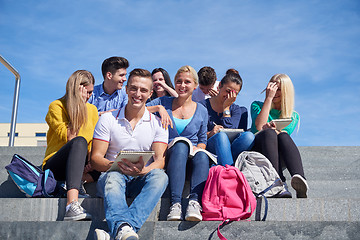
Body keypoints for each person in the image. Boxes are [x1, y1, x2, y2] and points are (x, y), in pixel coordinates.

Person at [91, 69, 169, 240]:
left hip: (140, 177)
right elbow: (96, 158)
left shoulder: (158, 124)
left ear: (150, 94)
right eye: (133, 88)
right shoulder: (108, 119)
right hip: (112, 176)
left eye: (143, 90)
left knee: (161, 177)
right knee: (113, 177)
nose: (137, 94)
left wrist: (142, 171)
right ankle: (123, 229)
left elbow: (159, 161)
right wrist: (116, 166)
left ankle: (120, 230)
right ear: (126, 89)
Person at [147, 65, 210, 222]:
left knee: (202, 155)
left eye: (187, 82)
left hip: (191, 159)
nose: (182, 85)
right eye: (179, 81)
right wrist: (158, 108)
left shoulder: (202, 110)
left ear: (195, 85)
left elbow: (202, 140)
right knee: (181, 145)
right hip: (169, 156)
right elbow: (135, 109)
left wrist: (198, 148)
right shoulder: (163, 101)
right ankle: (175, 204)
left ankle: (194, 202)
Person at [42, 70, 99, 221]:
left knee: (107, 157)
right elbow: (70, 138)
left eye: (91, 92)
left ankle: (78, 178)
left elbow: (93, 140)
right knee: (79, 141)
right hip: (56, 166)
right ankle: (71, 205)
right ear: (76, 91)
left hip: (82, 163)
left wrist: (90, 161)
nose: (88, 97)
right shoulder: (56, 106)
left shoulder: (93, 110)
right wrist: (78, 106)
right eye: (86, 92)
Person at [250, 73, 308, 198]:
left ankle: (300, 179)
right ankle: (279, 181)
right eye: (273, 87)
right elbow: (259, 126)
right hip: (258, 152)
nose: (275, 91)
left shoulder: (293, 115)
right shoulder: (256, 105)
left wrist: (275, 131)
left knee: (283, 136)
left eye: (279, 89)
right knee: (269, 133)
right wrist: (268, 98)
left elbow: (283, 135)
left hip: (278, 155)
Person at [200, 70, 255, 166]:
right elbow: (195, 134)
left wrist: (226, 108)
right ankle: (230, 173)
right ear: (220, 85)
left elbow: (231, 130)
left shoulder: (236, 109)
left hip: (230, 146)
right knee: (221, 136)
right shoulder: (202, 106)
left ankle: (227, 167)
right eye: (228, 91)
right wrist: (211, 133)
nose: (229, 96)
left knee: (249, 136)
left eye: (234, 94)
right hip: (211, 144)